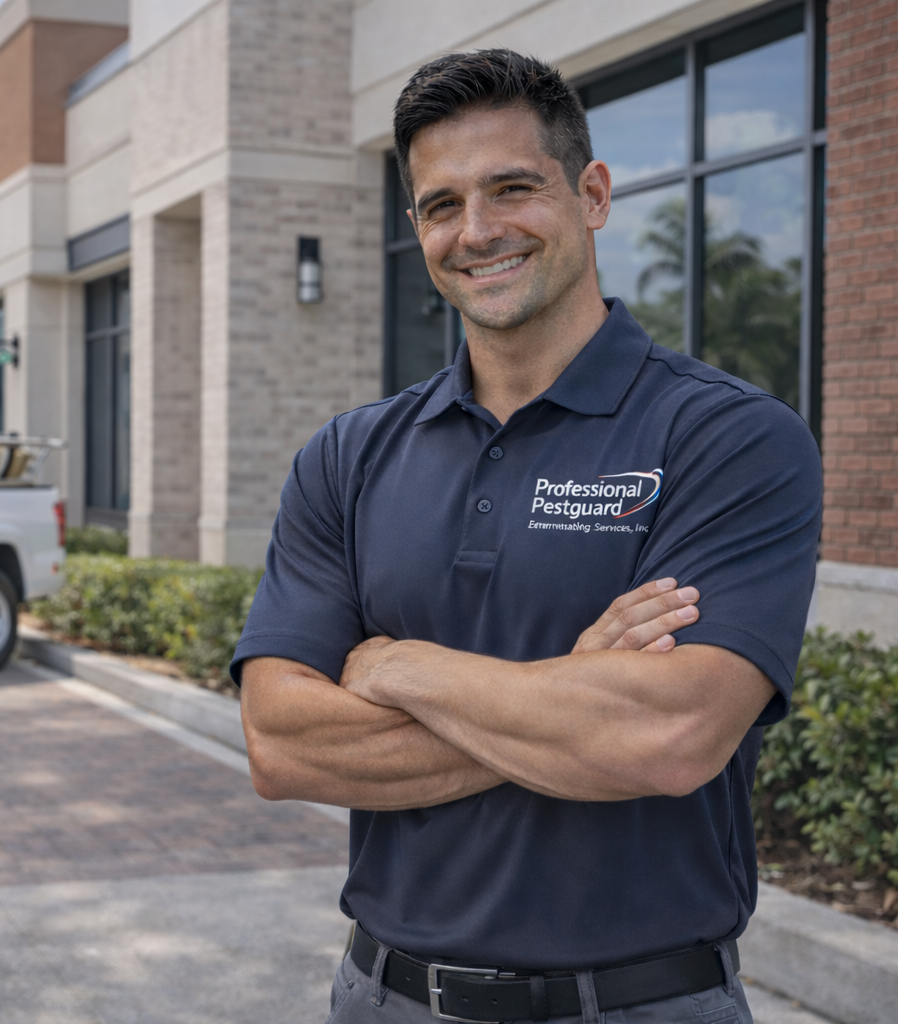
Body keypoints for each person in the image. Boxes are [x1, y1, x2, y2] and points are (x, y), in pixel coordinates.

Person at [233, 49, 821, 1024]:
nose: (479, 230)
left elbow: (665, 736)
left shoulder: (729, 438)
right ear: (415, 225)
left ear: (591, 193)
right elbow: (280, 742)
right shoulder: (349, 455)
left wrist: (397, 666)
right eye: (441, 204)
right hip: (383, 997)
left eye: (513, 187)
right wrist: (574, 688)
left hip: (640, 1003)